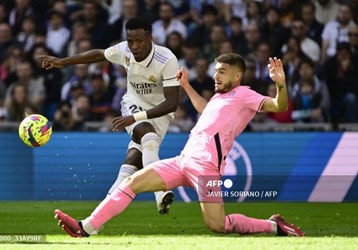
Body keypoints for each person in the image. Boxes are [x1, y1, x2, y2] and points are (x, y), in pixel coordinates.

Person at [54, 54, 304, 237]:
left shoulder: (245, 95)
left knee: (218, 225)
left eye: (222, 71)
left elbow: (279, 105)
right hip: (183, 160)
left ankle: (273, 226)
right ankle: (86, 227)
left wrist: (280, 83)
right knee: (133, 182)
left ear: (237, 75)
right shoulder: (220, 97)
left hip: (207, 168)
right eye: (216, 70)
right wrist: (186, 86)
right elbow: (206, 111)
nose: (216, 75)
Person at [40, 17, 180, 214]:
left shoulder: (167, 60)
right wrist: (63, 62)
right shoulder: (125, 50)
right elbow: (99, 54)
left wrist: (136, 118)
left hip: (161, 112)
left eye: (139, 41)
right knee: (147, 136)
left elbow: (171, 103)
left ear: (151, 38)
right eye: (130, 41)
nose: (134, 46)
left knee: (131, 166)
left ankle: (94, 220)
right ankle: (160, 193)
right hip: (133, 104)